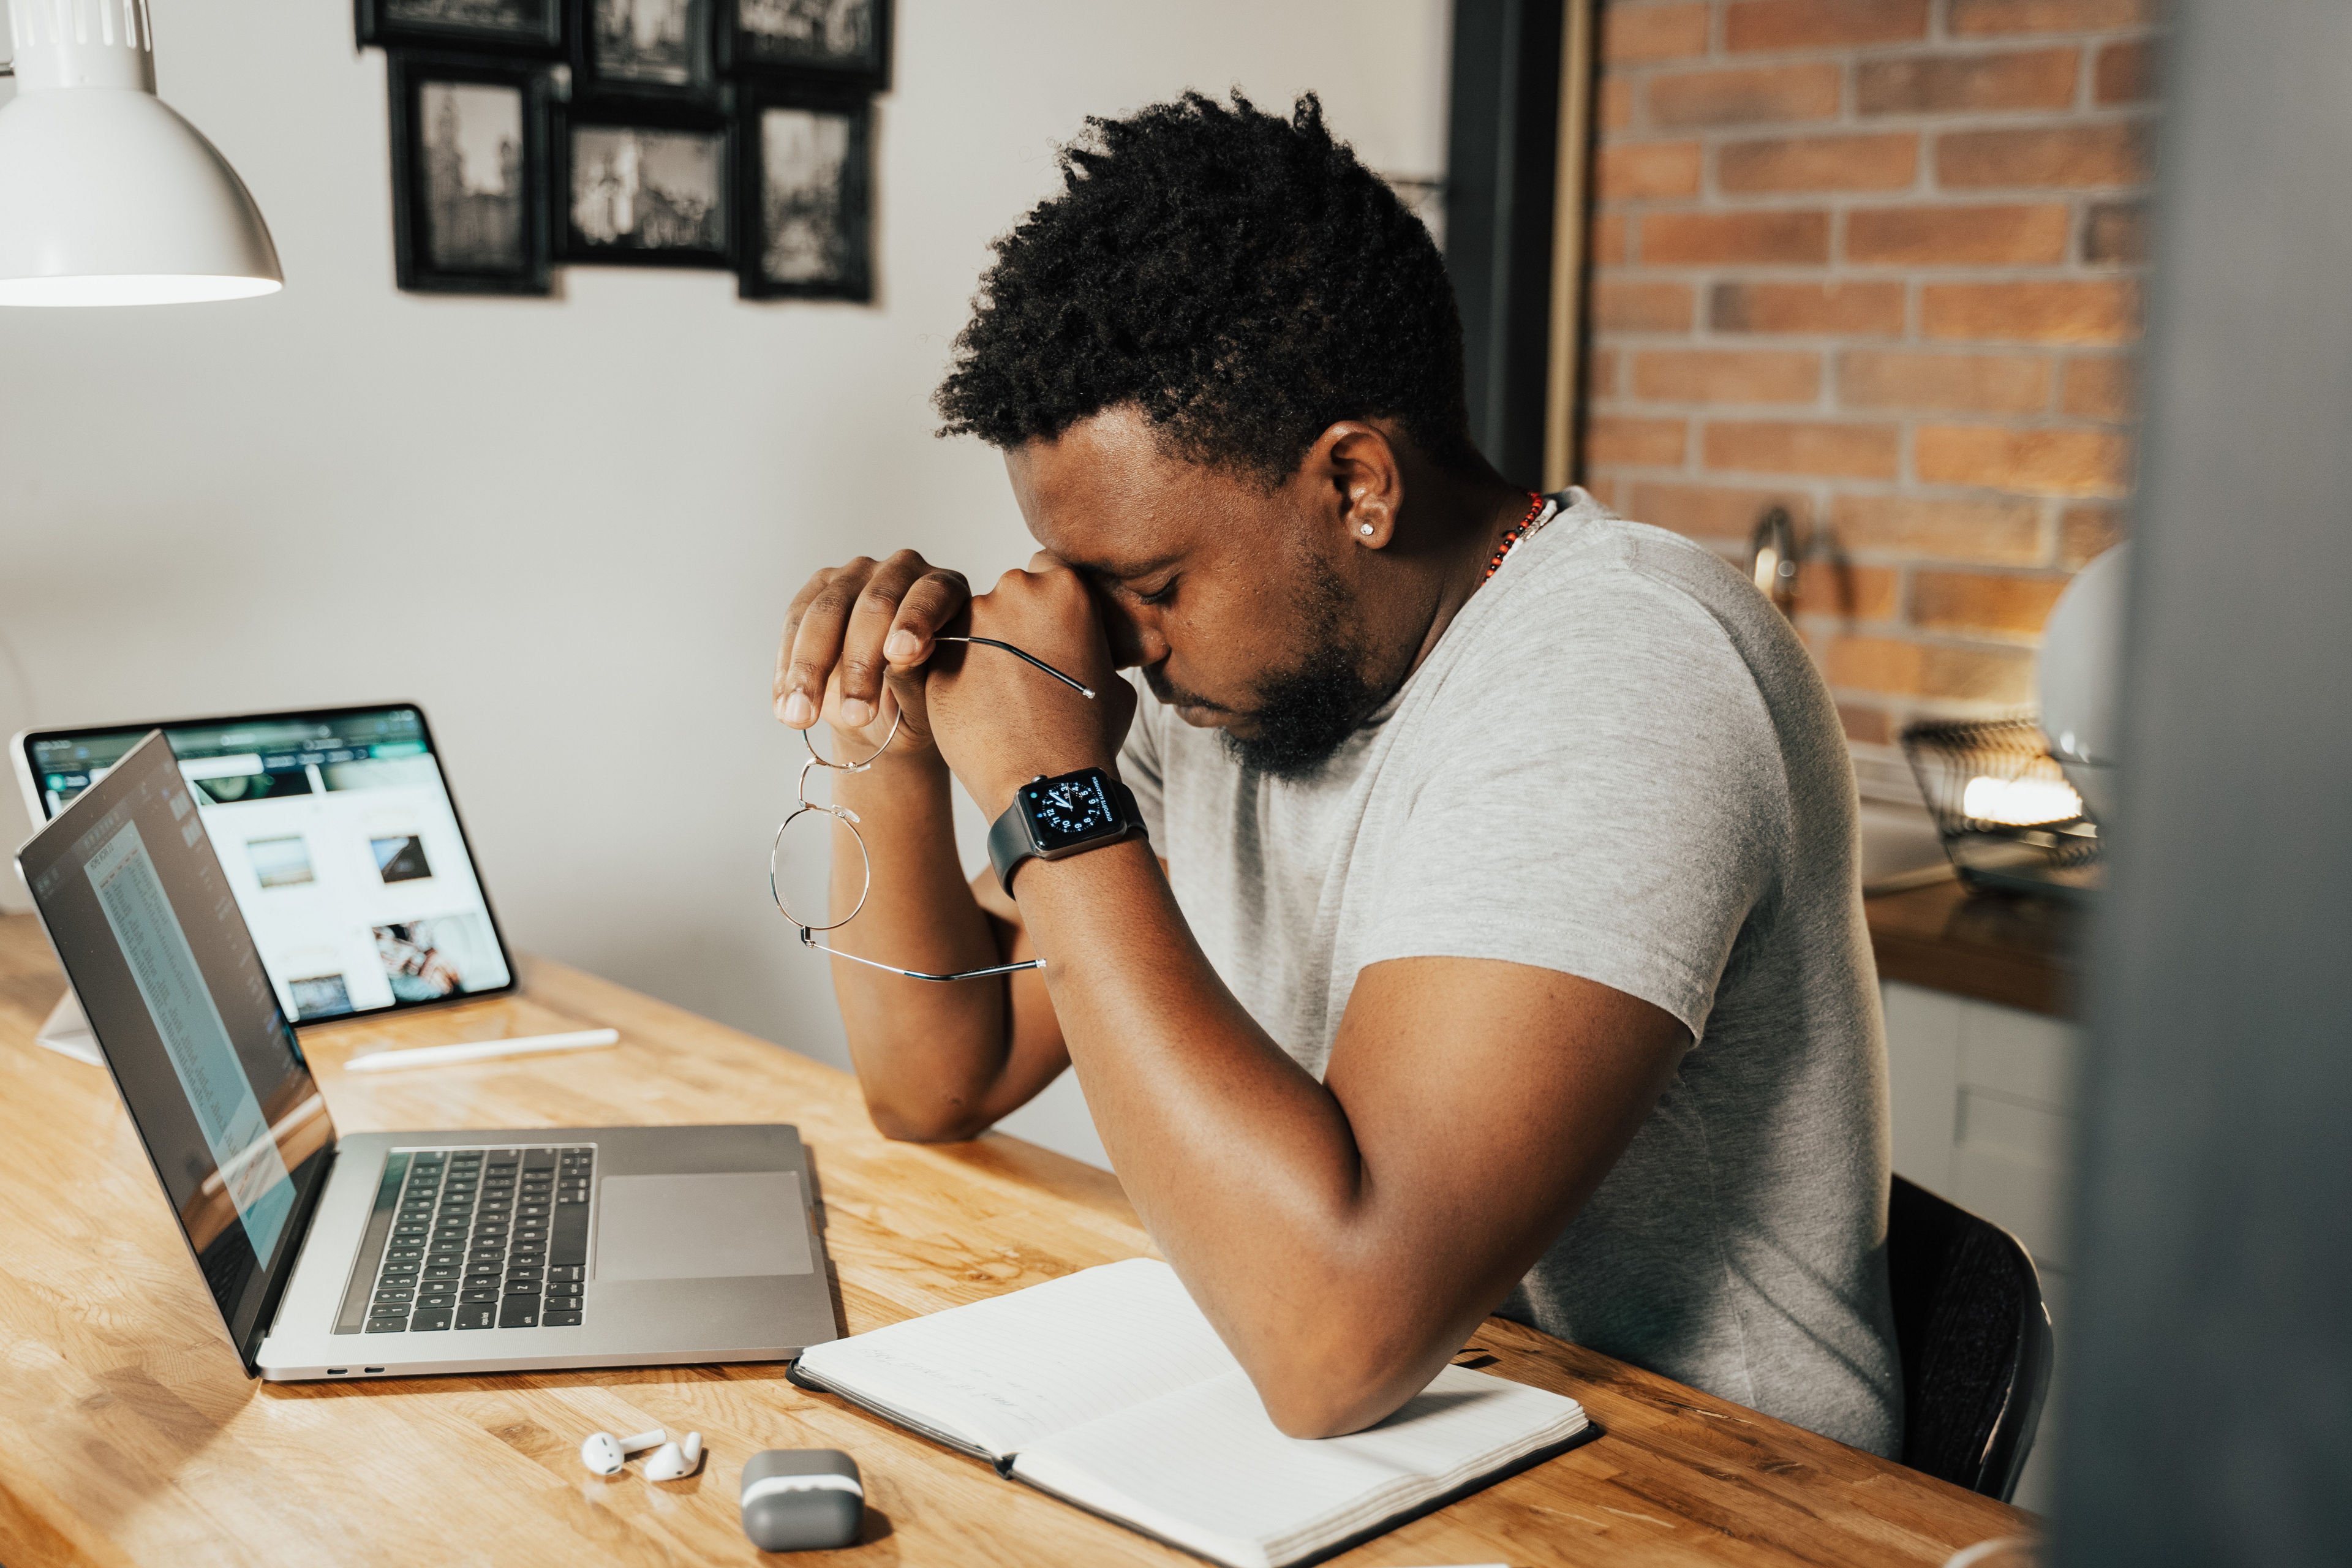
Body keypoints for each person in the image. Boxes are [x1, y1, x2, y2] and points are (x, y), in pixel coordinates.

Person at [771, 91, 1900, 1453]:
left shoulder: (1623, 667)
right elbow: (936, 1074)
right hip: (1418, 1455)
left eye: (1150, 584)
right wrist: (885, 726)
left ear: (1357, 482)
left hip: (1725, 1498)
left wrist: (1047, 791)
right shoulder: (1252, 687)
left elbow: (1332, 1340)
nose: (1121, 648)